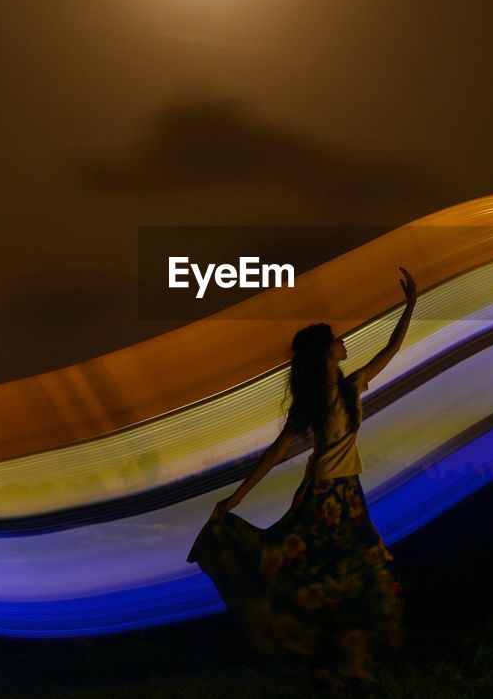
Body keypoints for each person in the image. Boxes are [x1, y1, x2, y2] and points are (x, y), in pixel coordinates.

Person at [187, 266, 417, 693]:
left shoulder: (352, 387)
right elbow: (275, 452)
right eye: (335, 339)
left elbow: (391, 348)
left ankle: (339, 665)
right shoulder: (311, 403)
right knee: (332, 578)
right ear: (323, 353)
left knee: (367, 575)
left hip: (350, 495)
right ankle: (333, 665)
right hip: (325, 499)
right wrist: (236, 498)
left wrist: (411, 306)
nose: (342, 341)